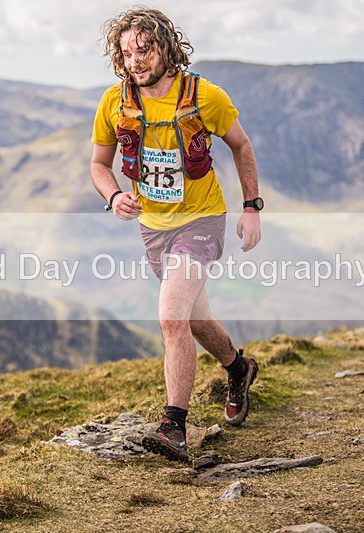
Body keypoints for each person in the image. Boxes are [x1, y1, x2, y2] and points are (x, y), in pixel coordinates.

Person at [90, 8, 264, 462]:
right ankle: (239, 368)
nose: (136, 60)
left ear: (167, 46)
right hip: (153, 229)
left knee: (170, 318)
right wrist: (112, 197)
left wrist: (251, 207)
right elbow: (98, 164)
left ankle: (173, 426)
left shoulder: (205, 96)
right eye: (127, 52)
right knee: (193, 318)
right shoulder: (114, 102)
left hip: (202, 221)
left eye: (144, 49)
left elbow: (241, 145)